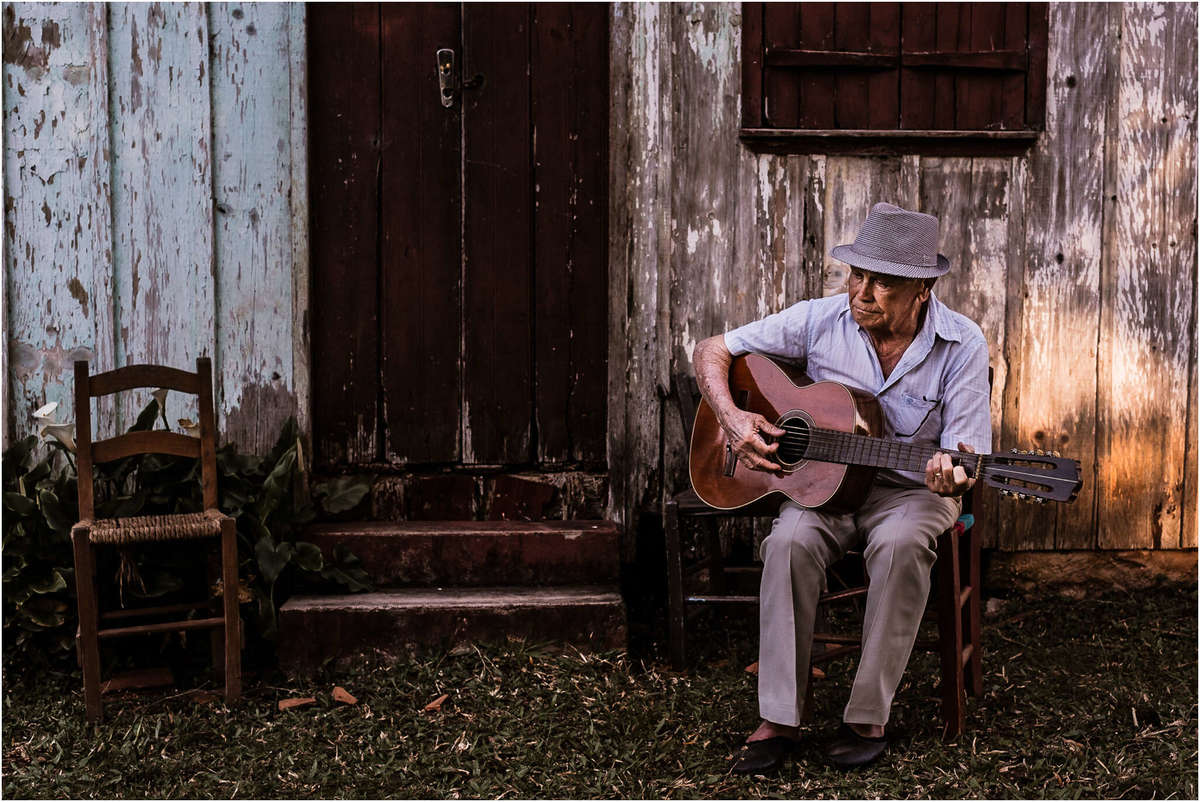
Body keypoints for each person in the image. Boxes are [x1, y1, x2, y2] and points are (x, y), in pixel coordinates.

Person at [691, 202, 992, 772]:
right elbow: (713, 349)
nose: (862, 293)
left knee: (902, 545)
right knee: (787, 544)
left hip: (913, 491)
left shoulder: (962, 343)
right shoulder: (819, 318)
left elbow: (967, 454)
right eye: (857, 275)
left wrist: (955, 471)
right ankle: (779, 718)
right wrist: (733, 419)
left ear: (923, 288)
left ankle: (867, 716)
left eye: (883, 282)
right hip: (823, 490)